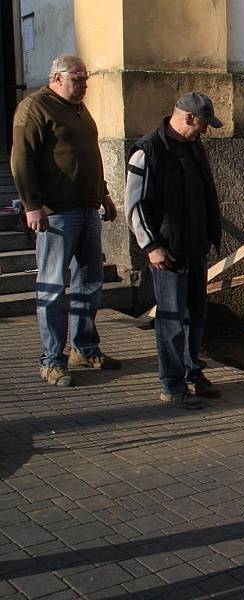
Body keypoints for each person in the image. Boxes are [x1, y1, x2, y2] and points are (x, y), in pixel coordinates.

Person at [11, 53, 120, 387]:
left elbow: (91, 155)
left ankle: (84, 347)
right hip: (56, 214)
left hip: (87, 209)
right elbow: (21, 159)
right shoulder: (34, 108)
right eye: (78, 78)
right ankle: (51, 359)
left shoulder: (79, 110)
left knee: (90, 282)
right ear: (57, 77)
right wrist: (32, 205)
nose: (84, 85)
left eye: (86, 79)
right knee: (53, 287)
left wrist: (102, 193)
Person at [124, 92, 223, 410]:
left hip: (195, 247)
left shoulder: (195, 148)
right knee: (170, 319)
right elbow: (135, 205)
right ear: (189, 118)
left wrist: (209, 235)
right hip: (166, 252)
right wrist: (151, 246)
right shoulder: (148, 151)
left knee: (196, 315)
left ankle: (192, 372)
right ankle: (172, 384)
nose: (206, 131)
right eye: (204, 124)